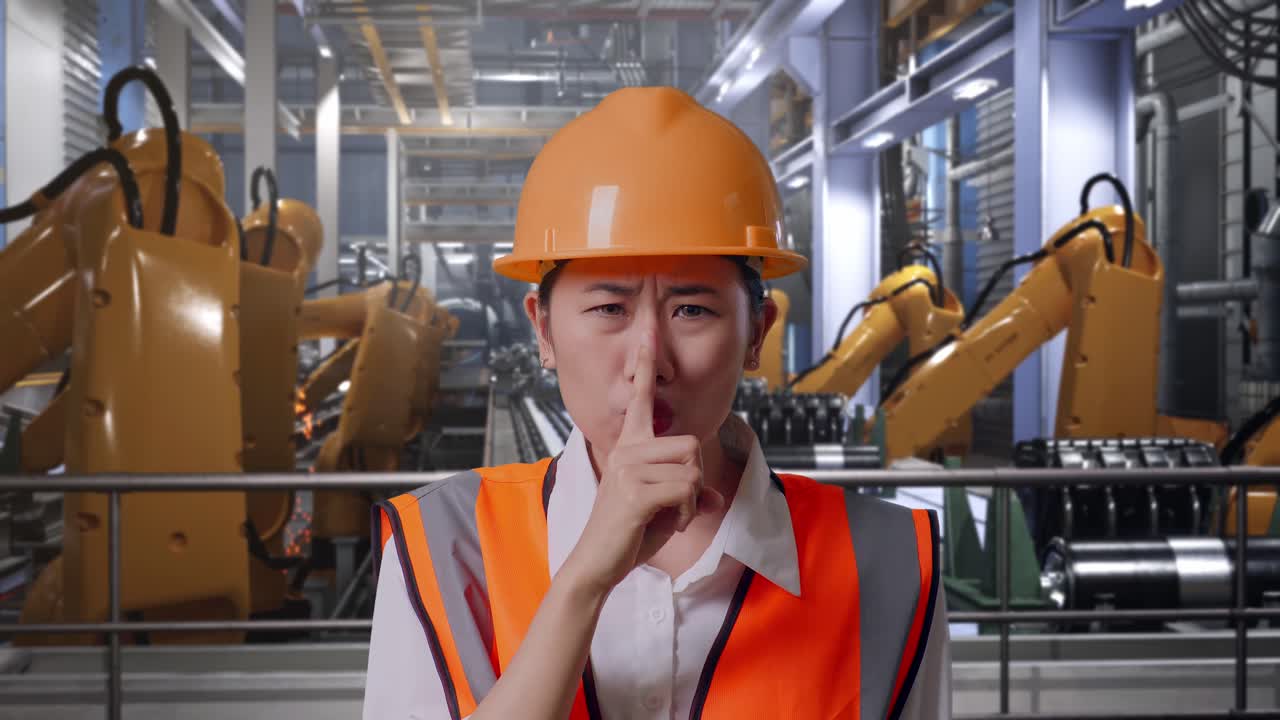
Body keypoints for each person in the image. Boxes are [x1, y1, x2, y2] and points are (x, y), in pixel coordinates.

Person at [362, 86, 950, 720]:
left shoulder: (889, 562)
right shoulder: (445, 548)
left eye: (691, 310)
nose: (650, 361)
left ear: (756, 332)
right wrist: (585, 581)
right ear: (543, 331)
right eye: (609, 309)